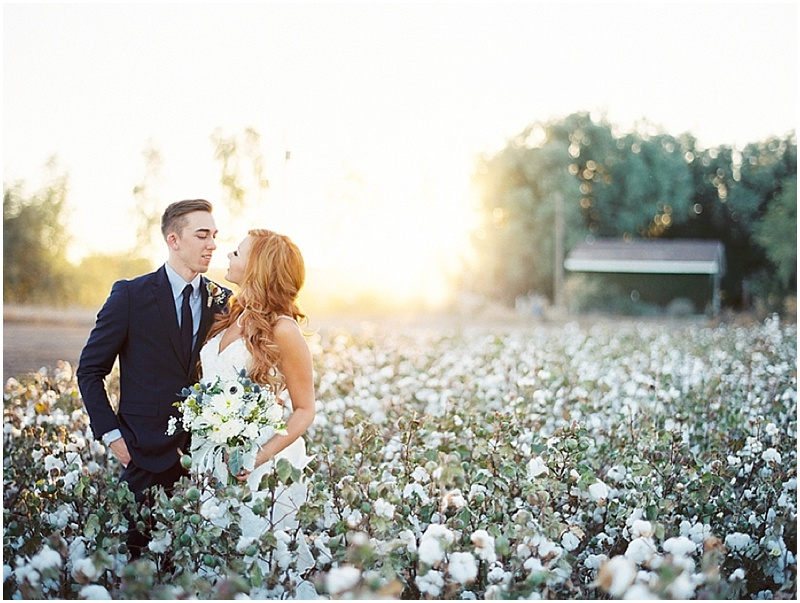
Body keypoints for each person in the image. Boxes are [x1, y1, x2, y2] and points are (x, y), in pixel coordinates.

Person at [77, 198, 231, 558]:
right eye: (202, 235)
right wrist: (113, 436)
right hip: (142, 455)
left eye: (215, 236)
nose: (212, 245)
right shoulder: (130, 295)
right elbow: (90, 371)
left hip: (204, 462)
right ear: (173, 240)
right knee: (138, 564)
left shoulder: (223, 300)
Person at [197, 229, 315, 558]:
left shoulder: (284, 329)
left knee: (254, 562)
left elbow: (305, 409)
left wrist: (258, 456)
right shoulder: (231, 315)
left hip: (255, 463)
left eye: (237, 253)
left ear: (258, 266)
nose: (228, 256)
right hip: (210, 457)